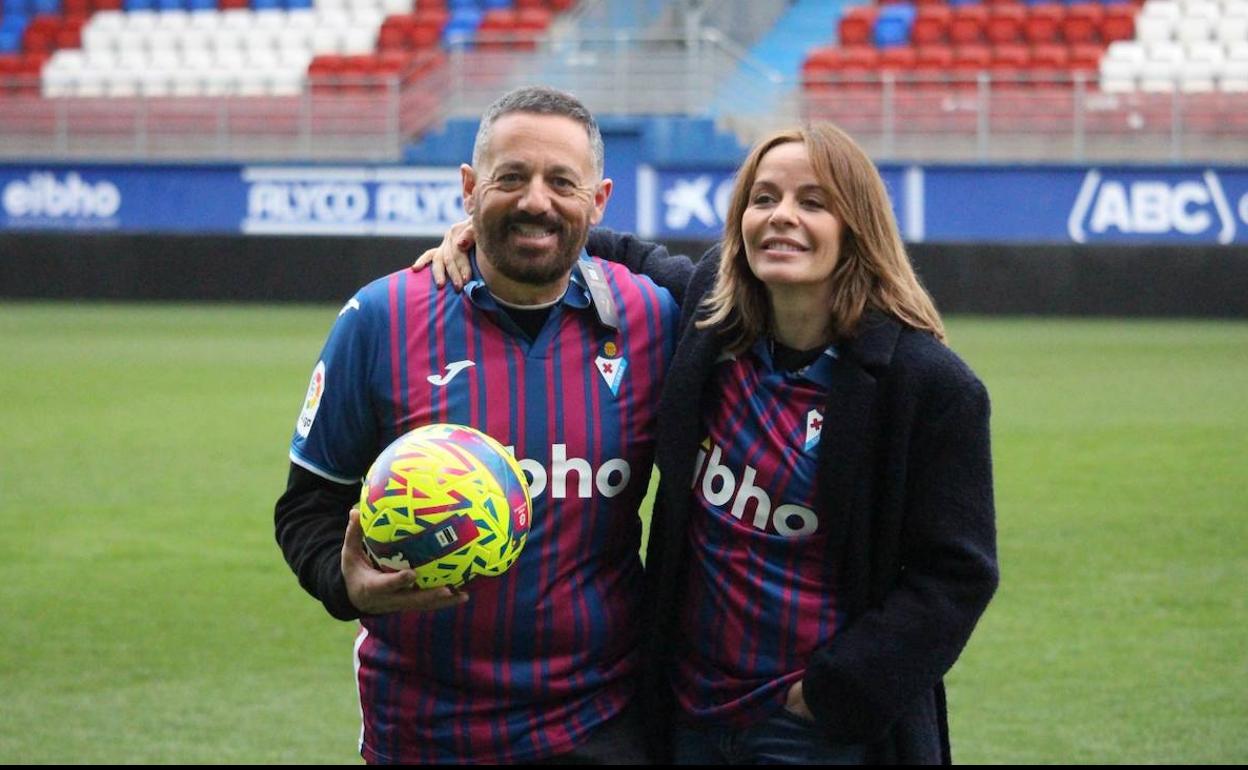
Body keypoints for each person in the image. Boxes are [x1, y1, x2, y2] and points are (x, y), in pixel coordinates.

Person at [421, 121, 998, 764]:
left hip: (810, 728)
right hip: (688, 709)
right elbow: (606, 245)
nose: (782, 217)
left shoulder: (929, 386)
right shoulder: (708, 319)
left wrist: (837, 690)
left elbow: (956, 575)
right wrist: (487, 232)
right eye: (763, 198)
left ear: (856, 224)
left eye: (812, 202)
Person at [274, 85, 679, 764]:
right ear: (468, 187)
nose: (535, 201)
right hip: (424, 726)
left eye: (561, 181)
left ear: (599, 200)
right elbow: (308, 502)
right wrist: (343, 582)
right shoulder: (380, 318)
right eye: (510, 178)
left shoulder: (653, 320)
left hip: (600, 721)